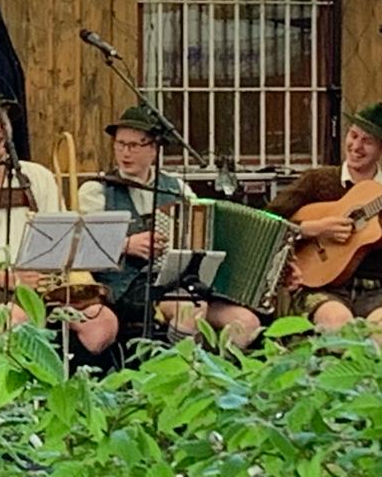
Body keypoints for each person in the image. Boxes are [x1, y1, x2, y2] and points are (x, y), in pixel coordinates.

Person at [0, 87, 119, 360]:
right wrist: (11, 280)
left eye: (1, 121)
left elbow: (64, 237)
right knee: (19, 320)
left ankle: (69, 383)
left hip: (44, 283)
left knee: (103, 322)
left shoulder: (38, 176)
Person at [79, 105, 261, 348]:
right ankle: (180, 378)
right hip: (128, 287)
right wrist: (126, 244)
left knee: (246, 321)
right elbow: (82, 245)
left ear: (153, 149)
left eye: (134, 145)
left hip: (181, 284)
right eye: (120, 144)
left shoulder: (175, 187)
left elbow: (203, 232)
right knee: (191, 310)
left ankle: (217, 377)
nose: (125, 152)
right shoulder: (98, 190)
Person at [267, 102, 382, 335]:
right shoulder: (317, 182)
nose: (356, 146)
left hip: (377, 291)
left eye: (367, 141)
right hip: (321, 288)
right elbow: (268, 220)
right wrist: (312, 228)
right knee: (337, 323)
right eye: (353, 135)